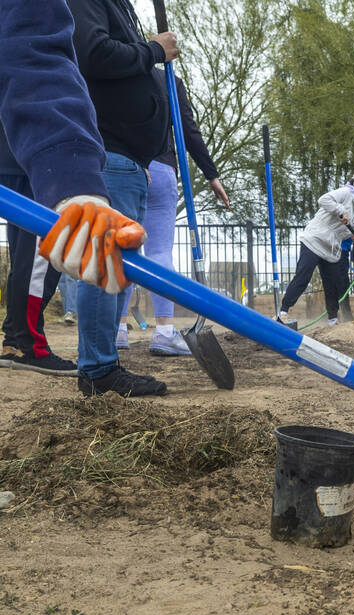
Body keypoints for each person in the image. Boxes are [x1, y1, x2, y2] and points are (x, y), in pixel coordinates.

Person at [61, 0, 177, 396]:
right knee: (106, 261)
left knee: (120, 265)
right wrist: (154, 50)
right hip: (109, 152)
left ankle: (103, 363)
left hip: (128, 158)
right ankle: (97, 369)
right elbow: (94, 54)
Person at [117, 69, 230, 357]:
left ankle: (117, 329)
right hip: (161, 167)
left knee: (123, 250)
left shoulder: (120, 73)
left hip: (126, 167)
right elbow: (188, 130)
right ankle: (164, 331)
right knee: (159, 252)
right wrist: (211, 174)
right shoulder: (168, 80)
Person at [0, 123, 76, 374]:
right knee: (38, 259)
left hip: (17, 155)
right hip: (37, 157)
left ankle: (13, 341)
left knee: (23, 258)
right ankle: (31, 347)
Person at [277, 174, 354, 328]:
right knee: (303, 277)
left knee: (332, 284)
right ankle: (283, 313)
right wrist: (340, 211)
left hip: (331, 249)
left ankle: (333, 319)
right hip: (315, 240)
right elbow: (323, 199)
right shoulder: (346, 193)